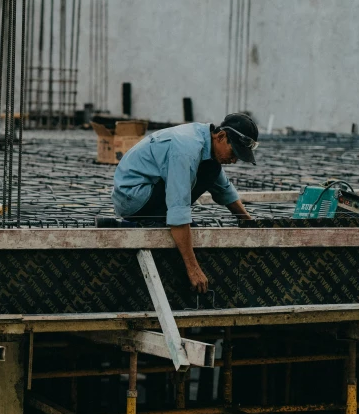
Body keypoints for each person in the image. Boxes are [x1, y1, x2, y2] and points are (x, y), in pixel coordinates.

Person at [111, 112, 259, 293]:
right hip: (133, 196)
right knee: (182, 231)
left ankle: (159, 220)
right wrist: (193, 268)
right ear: (221, 136)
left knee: (211, 170)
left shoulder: (207, 145)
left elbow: (224, 190)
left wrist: (250, 224)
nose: (234, 160)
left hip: (153, 193)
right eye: (234, 152)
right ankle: (144, 221)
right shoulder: (186, 148)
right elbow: (178, 206)